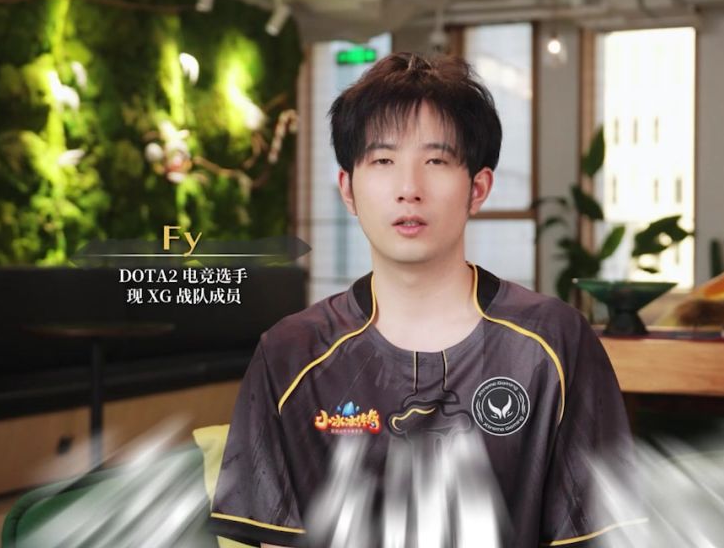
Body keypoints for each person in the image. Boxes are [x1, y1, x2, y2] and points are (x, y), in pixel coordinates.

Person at [209, 52, 640, 547]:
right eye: (383, 161)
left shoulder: (554, 344)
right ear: (348, 189)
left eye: (436, 161)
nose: (409, 189)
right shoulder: (290, 353)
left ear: (478, 188)